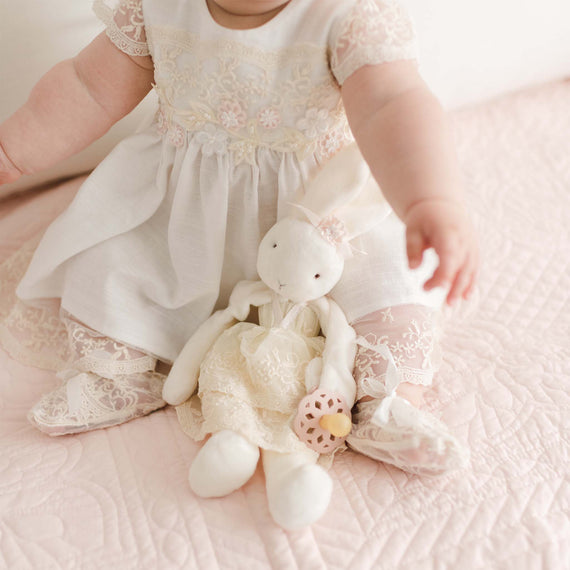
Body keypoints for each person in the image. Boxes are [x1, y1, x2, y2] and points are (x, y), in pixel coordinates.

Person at [0, 0, 478, 475]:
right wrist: (13, 150)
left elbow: (392, 106)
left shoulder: (347, 15)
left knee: (387, 276)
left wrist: (429, 201)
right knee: (111, 261)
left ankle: (384, 401)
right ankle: (118, 374)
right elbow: (88, 88)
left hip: (315, 217)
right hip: (181, 211)